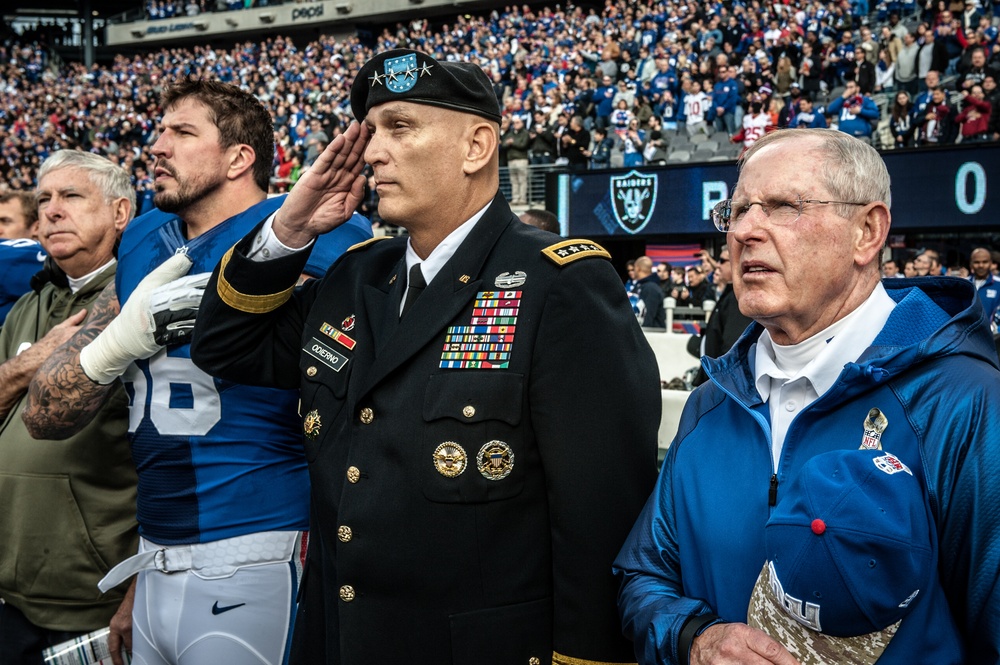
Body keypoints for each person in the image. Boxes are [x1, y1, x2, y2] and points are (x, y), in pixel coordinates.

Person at [190, 48, 660, 665]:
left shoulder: (557, 284)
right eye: (370, 131)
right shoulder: (356, 278)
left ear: (476, 145)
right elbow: (225, 346)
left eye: (400, 127)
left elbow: (600, 515)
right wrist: (289, 228)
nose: (372, 152)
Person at [614, 128, 1000, 664]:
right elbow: (643, 575)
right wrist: (694, 640)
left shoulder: (964, 401)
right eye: (739, 210)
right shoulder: (711, 403)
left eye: (783, 206)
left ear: (868, 231)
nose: (746, 230)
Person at [23, 79, 369, 665]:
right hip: (156, 555)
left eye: (182, 132)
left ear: (239, 158)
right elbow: (44, 413)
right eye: (159, 131)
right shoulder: (139, 242)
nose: (156, 146)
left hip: (262, 545)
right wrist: (120, 340)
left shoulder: (314, 232)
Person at [0, 151, 138, 665]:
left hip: (92, 596)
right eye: (43, 200)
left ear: (120, 213)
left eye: (71, 196)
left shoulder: (140, 300)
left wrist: (140, 586)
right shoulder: (26, 306)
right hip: (9, 589)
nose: (51, 211)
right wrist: (29, 362)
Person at [685, 245, 753, 386]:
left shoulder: (738, 298)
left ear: (738, 263)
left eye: (722, 261)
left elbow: (732, 350)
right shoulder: (731, 295)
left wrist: (720, 388)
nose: (717, 265)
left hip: (722, 386)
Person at [633, 256, 667, 329]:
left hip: (652, 334)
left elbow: (648, 316)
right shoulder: (641, 286)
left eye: (634, 268)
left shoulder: (651, 288)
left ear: (638, 268)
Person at [969, 246, 1000, 321]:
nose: (981, 265)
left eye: (985, 262)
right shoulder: (964, 284)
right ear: (971, 264)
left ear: (991, 263)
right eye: (977, 262)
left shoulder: (998, 284)